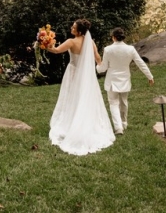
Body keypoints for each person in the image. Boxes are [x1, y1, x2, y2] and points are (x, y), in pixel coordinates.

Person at [45, 19, 115, 155]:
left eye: (73, 27)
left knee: (72, 97)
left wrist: (44, 45)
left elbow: (56, 50)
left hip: (73, 73)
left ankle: (71, 123)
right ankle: (83, 122)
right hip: (86, 76)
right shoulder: (90, 42)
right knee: (85, 98)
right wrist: (99, 67)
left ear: (79, 31)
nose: (71, 28)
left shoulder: (71, 42)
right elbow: (97, 56)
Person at [96, 27, 154, 135]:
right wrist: (149, 76)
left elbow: (103, 68)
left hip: (112, 80)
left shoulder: (108, 49)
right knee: (123, 102)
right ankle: (124, 123)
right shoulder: (130, 49)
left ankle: (118, 128)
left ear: (113, 37)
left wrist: (97, 68)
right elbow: (140, 63)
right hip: (125, 79)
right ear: (123, 37)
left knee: (113, 103)